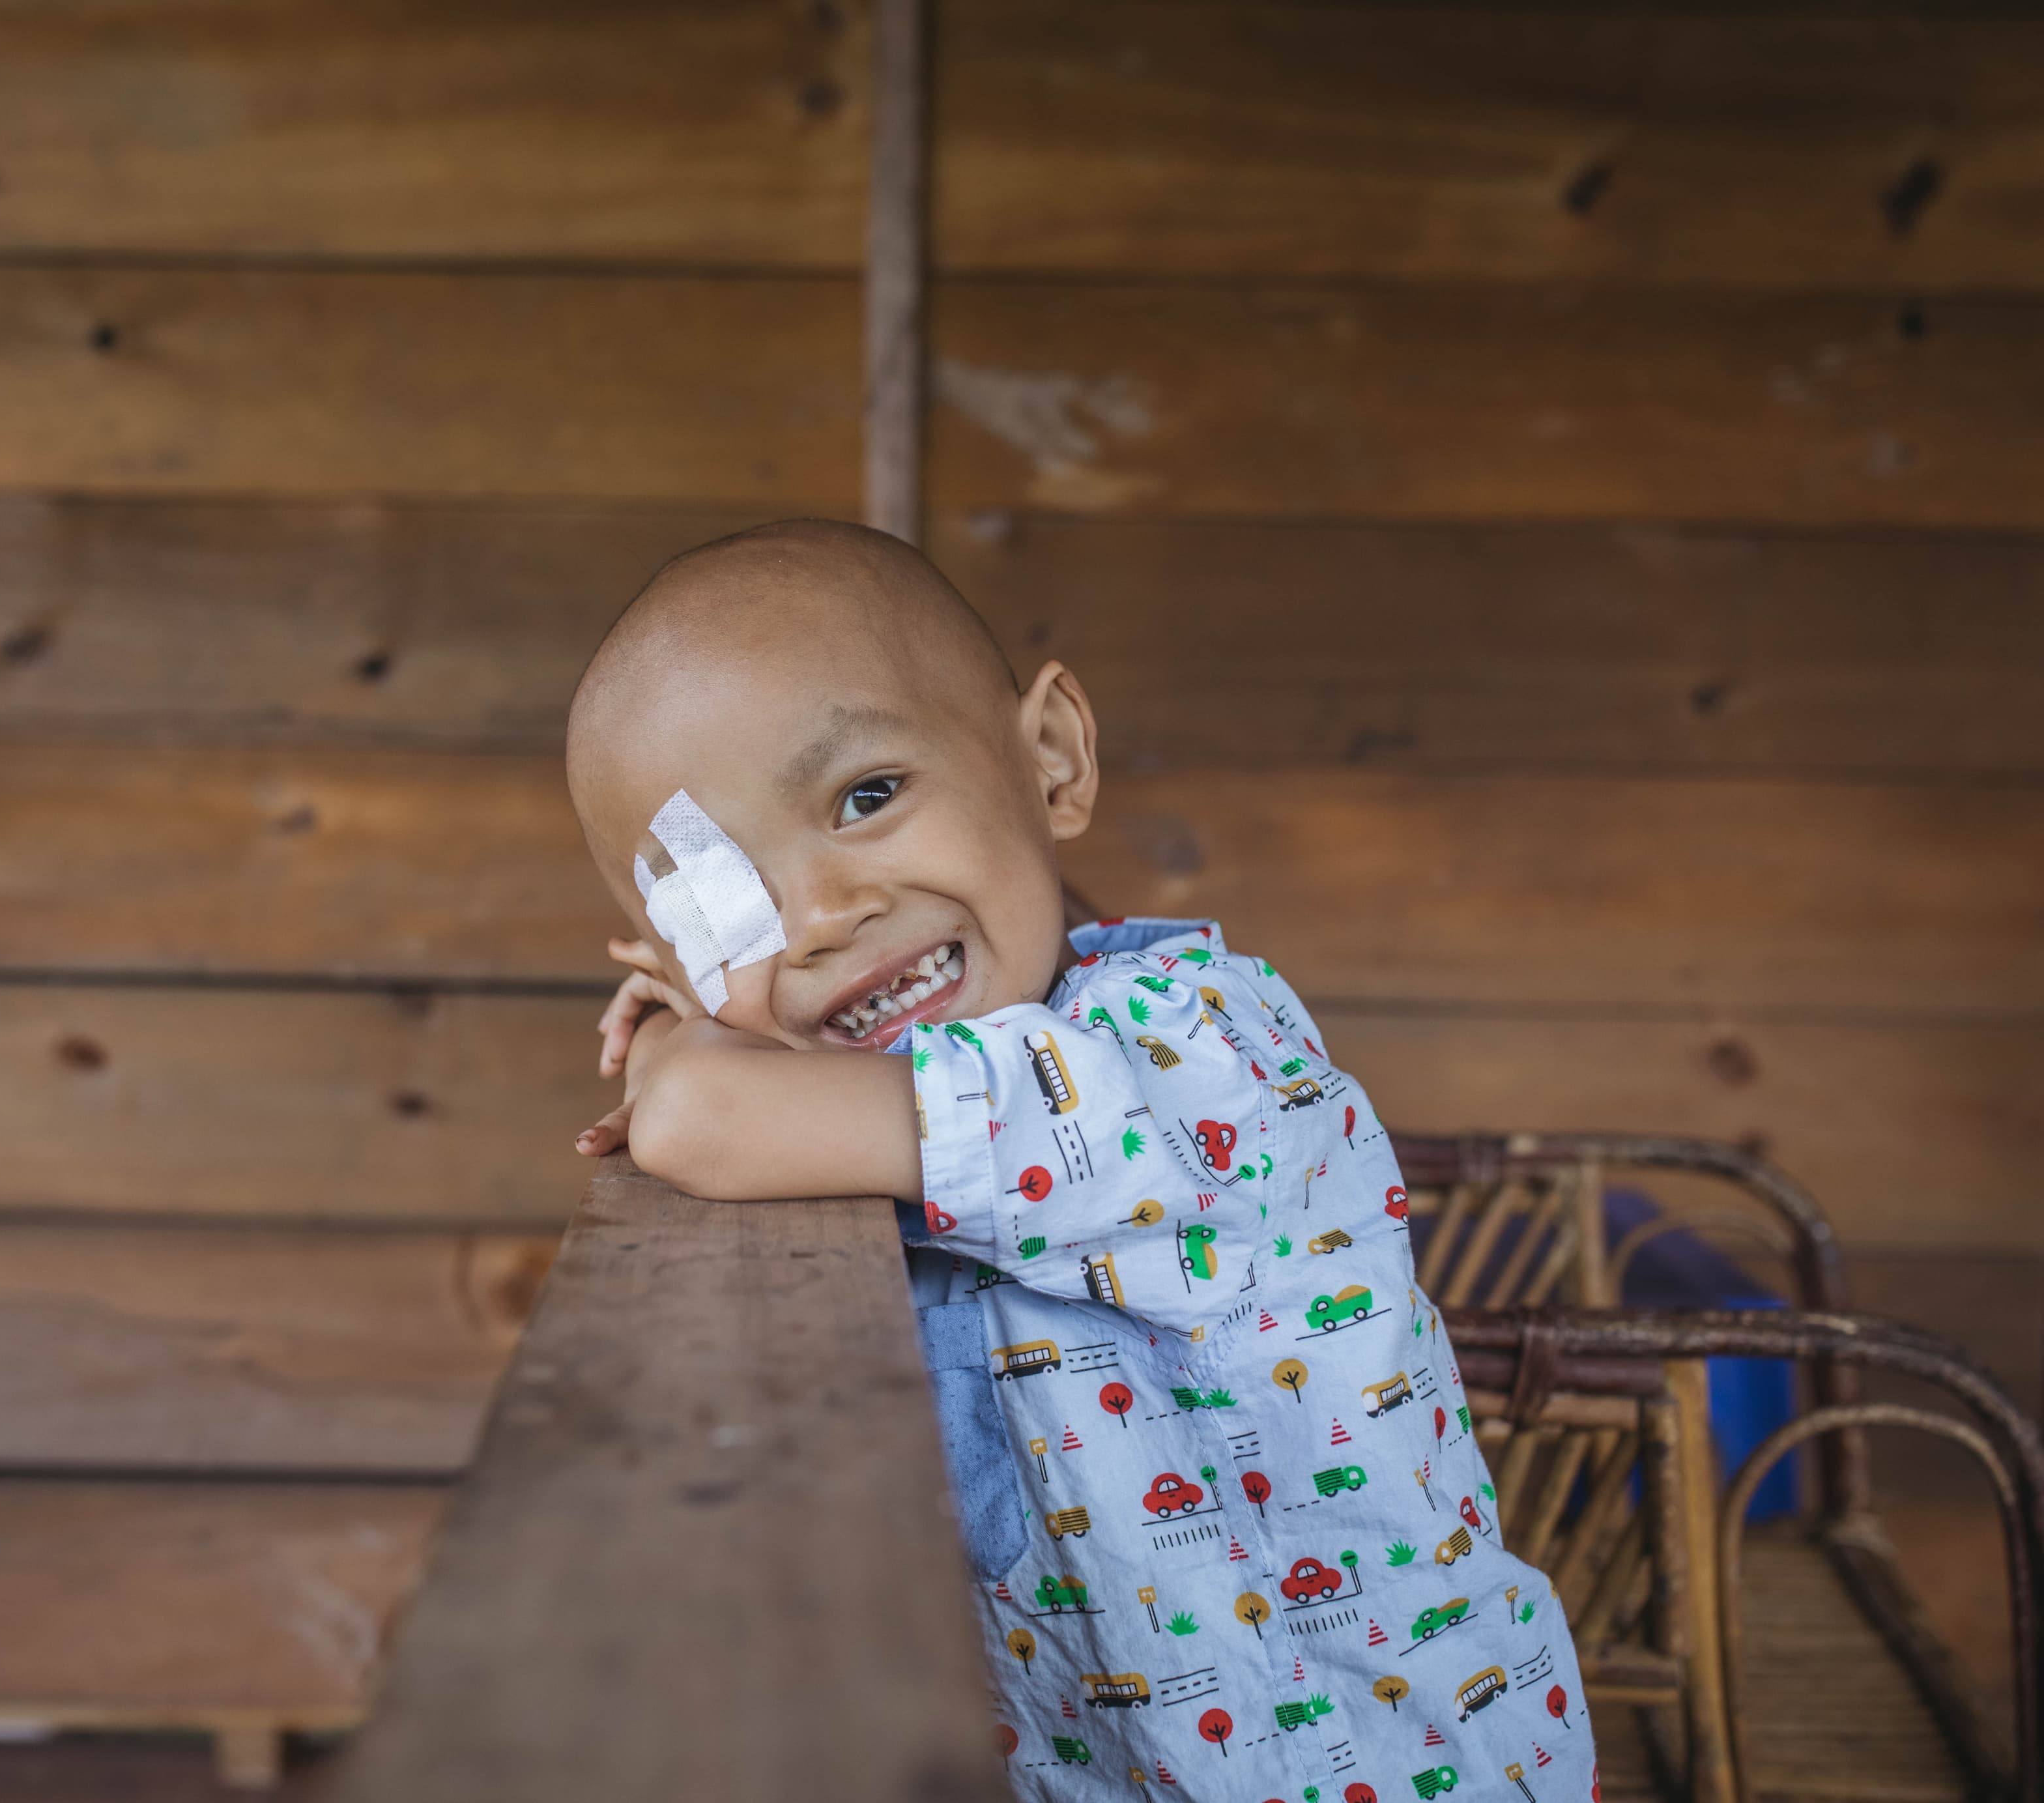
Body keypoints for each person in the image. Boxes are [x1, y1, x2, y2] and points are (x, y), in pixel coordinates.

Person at [567, 519, 1596, 1801]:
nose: (823, 920)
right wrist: (715, 1034)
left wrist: (684, 1046)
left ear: (1050, 756)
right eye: (727, 904)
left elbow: (698, 1121)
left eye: (868, 797)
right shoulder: (931, 1097)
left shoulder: (1195, 1047)